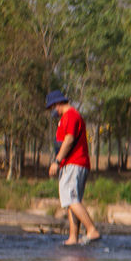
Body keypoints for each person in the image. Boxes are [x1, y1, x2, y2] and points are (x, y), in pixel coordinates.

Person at [45, 90, 101, 246]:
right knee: (72, 200)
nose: (52, 112)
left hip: (73, 163)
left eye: (51, 108)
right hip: (74, 164)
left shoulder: (71, 116)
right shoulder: (68, 117)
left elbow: (69, 140)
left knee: (70, 198)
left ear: (57, 104)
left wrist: (57, 161)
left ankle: (91, 230)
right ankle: (73, 237)